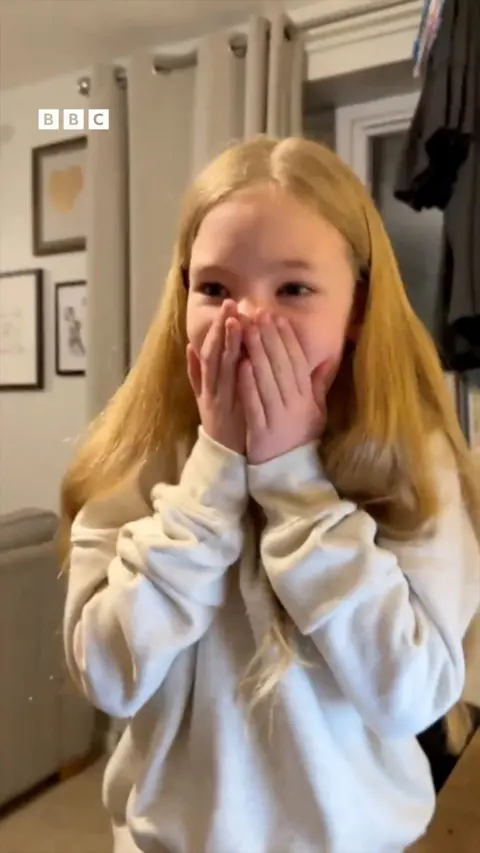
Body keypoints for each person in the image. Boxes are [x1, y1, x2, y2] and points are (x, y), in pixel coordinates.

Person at [60, 136, 480, 853]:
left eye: (293, 288)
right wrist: (215, 473)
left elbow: (411, 692)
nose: (246, 320)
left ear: (356, 307)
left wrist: (292, 481)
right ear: (181, 296)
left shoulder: (414, 463)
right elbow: (107, 675)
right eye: (215, 288)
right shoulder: (137, 454)